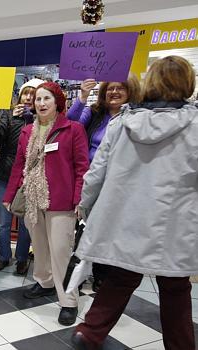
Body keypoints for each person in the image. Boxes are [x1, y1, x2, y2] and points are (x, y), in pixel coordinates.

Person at [71, 56, 197, 350]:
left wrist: (86, 205)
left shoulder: (123, 123)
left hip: (127, 219)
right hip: (175, 223)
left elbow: (96, 171)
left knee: (121, 278)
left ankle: (89, 333)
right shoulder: (195, 125)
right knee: (175, 288)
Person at [3, 82, 89, 326]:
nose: (40, 103)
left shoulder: (73, 129)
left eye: (46, 99)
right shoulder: (27, 131)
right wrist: (9, 196)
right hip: (32, 199)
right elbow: (19, 166)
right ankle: (45, 283)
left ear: (58, 102)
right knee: (39, 248)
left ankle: (69, 301)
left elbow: (82, 168)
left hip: (61, 202)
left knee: (61, 252)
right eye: (38, 99)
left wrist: (79, 199)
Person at [67, 74, 142, 292]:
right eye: (110, 88)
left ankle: (102, 275)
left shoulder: (137, 116)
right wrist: (82, 95)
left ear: (130, 91)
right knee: (84, 228)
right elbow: (71, 123)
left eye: (120, 88)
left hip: (118, 184)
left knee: (109, 230)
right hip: (89, 180)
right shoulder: (95, 113)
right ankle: (76, 275)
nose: (114, 92)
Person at [0, 79, 43, 275]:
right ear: (20, 95)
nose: (29, 98)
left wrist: (33, 119)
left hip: (29, 177)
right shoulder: (9, 114)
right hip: (5, 175)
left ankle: (22, 258)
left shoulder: (43, 119)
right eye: (26, 93)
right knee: (3, 222)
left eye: (33, 95)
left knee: (26, 223)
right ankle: (3, 257)